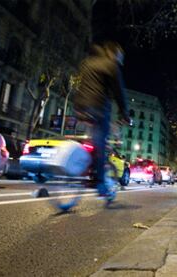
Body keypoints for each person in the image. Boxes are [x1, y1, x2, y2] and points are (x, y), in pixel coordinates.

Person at [74, 41, 130, 199]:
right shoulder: (111, 65)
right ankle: (99, 183)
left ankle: (85, 165)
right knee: (100, 143)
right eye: (119, 57)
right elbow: (119, 93)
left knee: (92, 140)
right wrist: (124, 113)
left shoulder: (88, 62)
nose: (120, 60)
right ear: (112, 53)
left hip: (79, 106)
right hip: (97, 108)